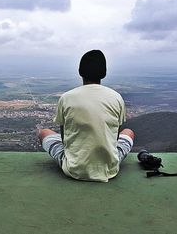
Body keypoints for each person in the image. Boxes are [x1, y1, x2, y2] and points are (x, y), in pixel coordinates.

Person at [37, 50, 135, 182]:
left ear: (79, 72)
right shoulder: (116, 97)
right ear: (104, 73)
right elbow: (115, 136)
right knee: (128, 132)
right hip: (110, 169)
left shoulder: (67, 98)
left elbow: (64, 137)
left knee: (44, 132)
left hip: (74, 169)